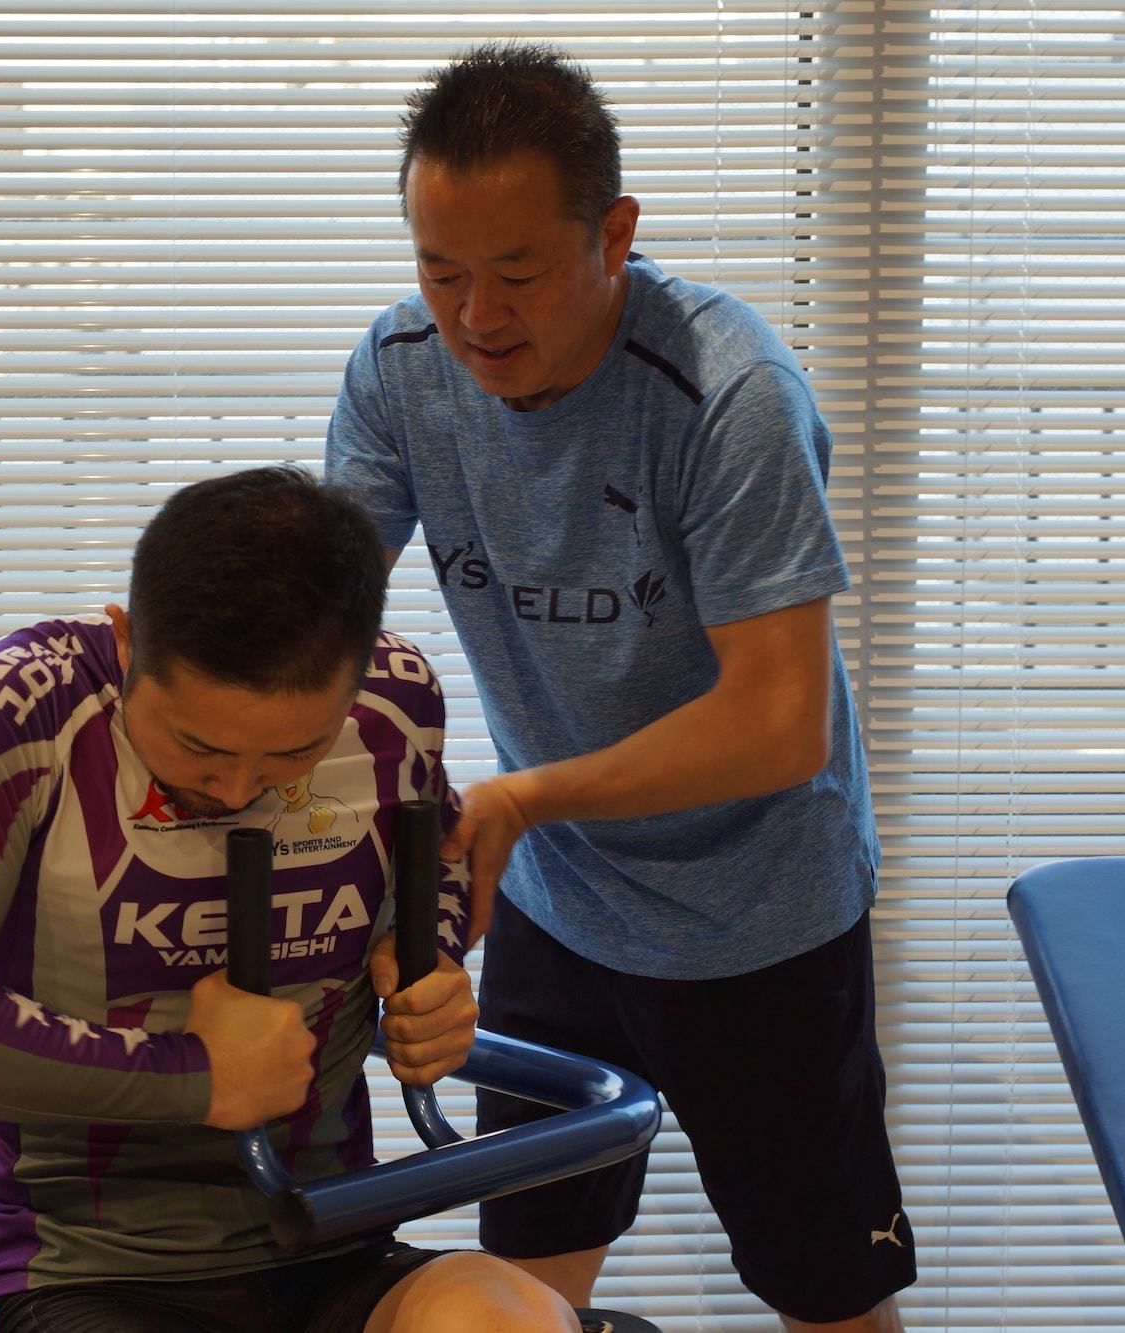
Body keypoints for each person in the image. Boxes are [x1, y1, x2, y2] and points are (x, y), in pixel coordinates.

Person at [324, 42, 914, 1333]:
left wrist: (522, 799)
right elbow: (317, 616)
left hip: (760, 914)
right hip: (561, 901)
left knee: (827, 1294)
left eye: (518, 272)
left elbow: (780, 724)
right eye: (440, 270)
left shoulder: (726, 394)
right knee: (520, 1291)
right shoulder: (401, 368)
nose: (475, 316)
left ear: (614, 235)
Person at [0, 466, 579, 1333]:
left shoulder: (398, 695)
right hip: (93, 1267)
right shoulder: (15, 709)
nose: (237, 789)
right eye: (198, 746)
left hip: (338, 1239)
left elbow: (435, 860)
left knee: (516, 1318)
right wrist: (195, 1077)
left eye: (292, 754)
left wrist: (429, 964)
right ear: (126, 642)